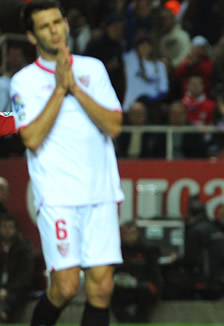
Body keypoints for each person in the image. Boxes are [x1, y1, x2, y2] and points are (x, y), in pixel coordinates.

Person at [10, 1, 125, 325]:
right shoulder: (25, 81)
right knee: (65, 287)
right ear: (32, 37)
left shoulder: (93, 69)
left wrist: (75, 86)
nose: (55, 30)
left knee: (102, 288)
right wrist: (60, 90)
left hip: (100, 191)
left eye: (57, 21)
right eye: (45, 26)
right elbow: (30, 138)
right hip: (59, 195)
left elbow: (114, 125)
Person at [111, 222, 161, 323]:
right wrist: (118, 279)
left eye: (132, 233)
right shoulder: (116, 250)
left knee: (146, 290)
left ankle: (140, 320)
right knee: (108, 292)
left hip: (141, 288)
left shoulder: (148, 250)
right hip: (122, 289)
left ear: (138, 234)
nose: (129, 237)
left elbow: (154, 274)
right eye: (126, 234)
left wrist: (136, 281)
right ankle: (126, 321)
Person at [0, 214, 34, 322]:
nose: (7, 230)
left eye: (10, 227)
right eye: (4, 227)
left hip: (16, 288)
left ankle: (4, 313)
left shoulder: (23, 248)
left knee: (16, 295)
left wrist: (7, 290)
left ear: (15, 229)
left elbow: (24, 276)